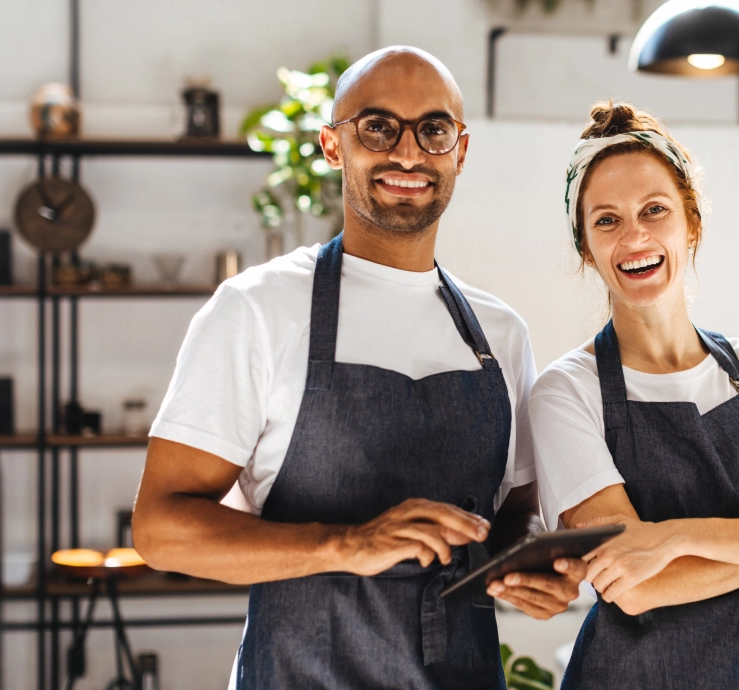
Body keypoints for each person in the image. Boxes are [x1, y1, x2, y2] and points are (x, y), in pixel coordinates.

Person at [131, 47, 586, 690]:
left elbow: (515, 512)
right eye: (377, 126)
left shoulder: (499, 334)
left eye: (433, 129)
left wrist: (531, 570)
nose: (408, 153)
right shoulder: (258, 309)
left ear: (459, 151)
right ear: (332, 146)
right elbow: (160, 530)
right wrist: (345, 543)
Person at [529, 102, 739, 689]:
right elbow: (636, 585)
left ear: (692, 223)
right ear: (585, 247)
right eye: (606, 220)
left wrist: (672, 537)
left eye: (654, 210)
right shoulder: (566, 393)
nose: (634, 237)